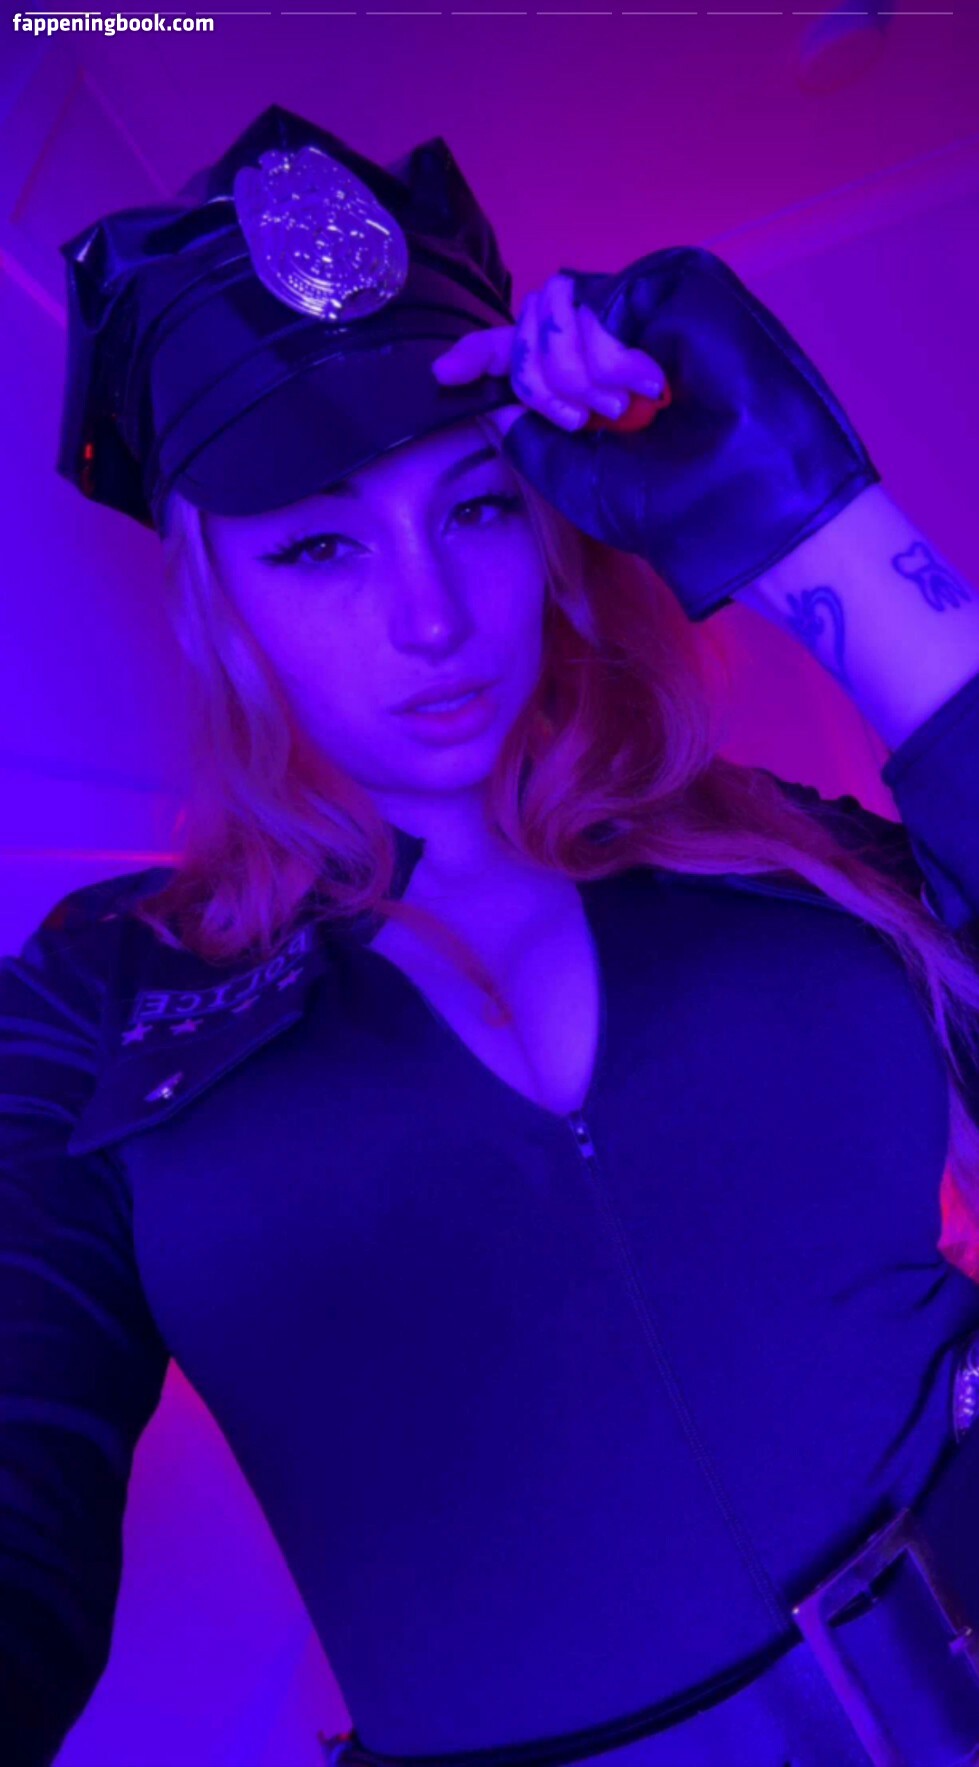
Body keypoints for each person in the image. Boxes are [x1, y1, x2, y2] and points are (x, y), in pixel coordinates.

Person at [4, 100, 979, 1767]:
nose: (434, 619)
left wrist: (811, 520)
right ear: (215, 603)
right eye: (320, 544)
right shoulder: (100, 999)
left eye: (473, 508)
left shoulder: (779, 853)